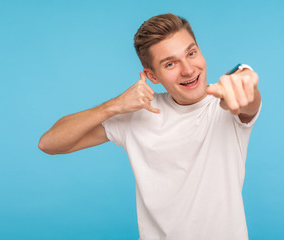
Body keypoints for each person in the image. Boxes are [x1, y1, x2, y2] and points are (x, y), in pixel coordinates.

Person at [39, 13, 261, 240]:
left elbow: (247, 100)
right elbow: (49, 143)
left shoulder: (224, 105)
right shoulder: (138, 112)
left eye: (191, 53)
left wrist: (246, 81)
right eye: (170, 63)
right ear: (152, 76)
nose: (188, 69)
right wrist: (113, 106)